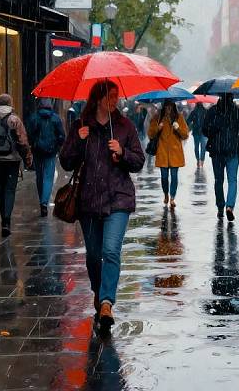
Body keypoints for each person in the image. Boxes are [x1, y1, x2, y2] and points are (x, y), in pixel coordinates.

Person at [59, 81, 145, 329]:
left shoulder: (125, 126)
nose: (114, 101)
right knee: (94, 256)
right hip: (88, 201)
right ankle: (100, 293)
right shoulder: (81, 126)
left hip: (118, 198)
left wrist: (122, 153)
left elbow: (139, 161)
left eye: (116, 97)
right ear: (97, 99)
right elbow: (65, 161)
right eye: (110, 97)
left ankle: (107, 302)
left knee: (110, 251)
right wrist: (77, 139)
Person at [0, 94, 32, 237]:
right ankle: (7, 221)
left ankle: (3, 219)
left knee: (0, 190)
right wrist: (28, 159)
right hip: (12, 160)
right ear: (10, 103)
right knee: (9, 190)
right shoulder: (14, 119)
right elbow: (22, 141)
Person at [203, 93, 239, 221]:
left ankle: (220, 207)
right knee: (232, 180)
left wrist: (216, 129)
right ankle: (229, 206)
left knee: (219, 180)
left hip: (217, 151)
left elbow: (205, 130)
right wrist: (234, 129)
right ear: (232, 98)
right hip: (233, 150)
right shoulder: (237, 112)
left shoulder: (212, 111)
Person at [27, 98, 66, 217]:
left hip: (37, 151)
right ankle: (44, 203)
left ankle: (41, 200)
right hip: (50, 151)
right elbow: (61, 135)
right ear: (50, 106)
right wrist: (57, 145)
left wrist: (33, 144)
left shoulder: (34, 117)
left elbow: (29, 133)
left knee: (39, 175)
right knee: (48, 176)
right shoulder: (55, 118)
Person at [147, 100, 189, 209]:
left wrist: (178, 128)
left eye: (170, 107)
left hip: (175, 153)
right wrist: (158, 128)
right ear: (164, 107)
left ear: (173, 107)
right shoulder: (157, 117)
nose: (168, 109)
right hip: (162, 153)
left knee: (174, 177)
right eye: (166, 107)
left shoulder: (179, 117)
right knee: (164, 177)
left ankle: (172, 198)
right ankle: (166, 194)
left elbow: (185, 135)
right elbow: (150, 134)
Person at [187, 102, 208, 167]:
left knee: (197, 147)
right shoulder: (206, 111)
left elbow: (188, 121)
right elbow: (209, 121)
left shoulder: (194, 112)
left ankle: (198, 160)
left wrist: (192, 126)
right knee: (203, 147)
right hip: (203, 132)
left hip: (196, 132)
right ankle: (201, 161)